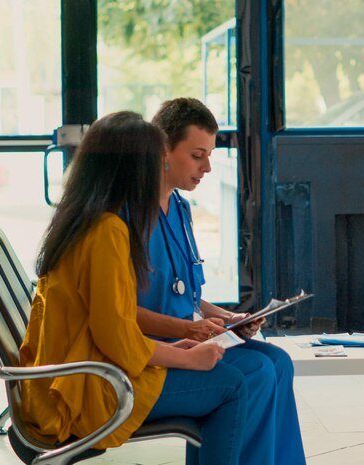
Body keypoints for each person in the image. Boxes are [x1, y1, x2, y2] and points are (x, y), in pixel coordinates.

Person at [19, 111, 247, 465]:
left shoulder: (82, 218)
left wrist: (179, 347)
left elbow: (110, 325)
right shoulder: (108, 231)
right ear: (134, 167)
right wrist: (186, 357)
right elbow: (116, 337)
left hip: (73, 376)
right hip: (91, 387)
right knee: (232, 385)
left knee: (227, 377)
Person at [134, 97, 305, 465]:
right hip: (156, 350)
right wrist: (191, 331)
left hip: (187, 336)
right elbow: (117, 314)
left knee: (278, 362)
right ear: (163, 149)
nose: (208, 167)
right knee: (257, 372)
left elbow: (188, 295)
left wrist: (229, 319)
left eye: (210, 155)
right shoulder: (129, 218)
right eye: (197, 156)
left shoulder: (179, 209)